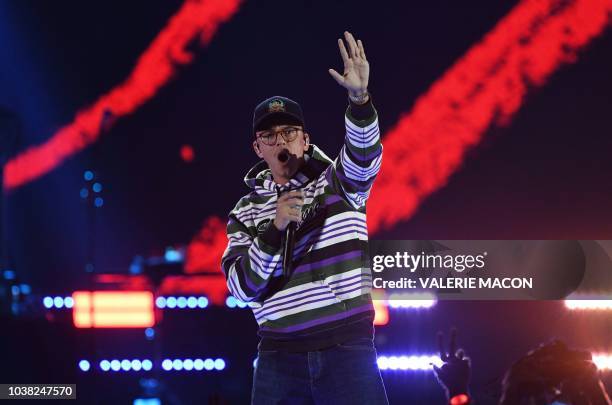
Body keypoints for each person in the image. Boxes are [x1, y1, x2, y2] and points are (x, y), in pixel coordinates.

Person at [221, 31, 388, 404]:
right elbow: (241, 288)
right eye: (270, 135)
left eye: (290, 132)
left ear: (305, 140)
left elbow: (364, 157)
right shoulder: (245, 211)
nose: (281, 141)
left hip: (347, 349)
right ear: (257, 147)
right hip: (279, 358)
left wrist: (359, 99)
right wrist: (274, 229)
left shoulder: (338, 183)